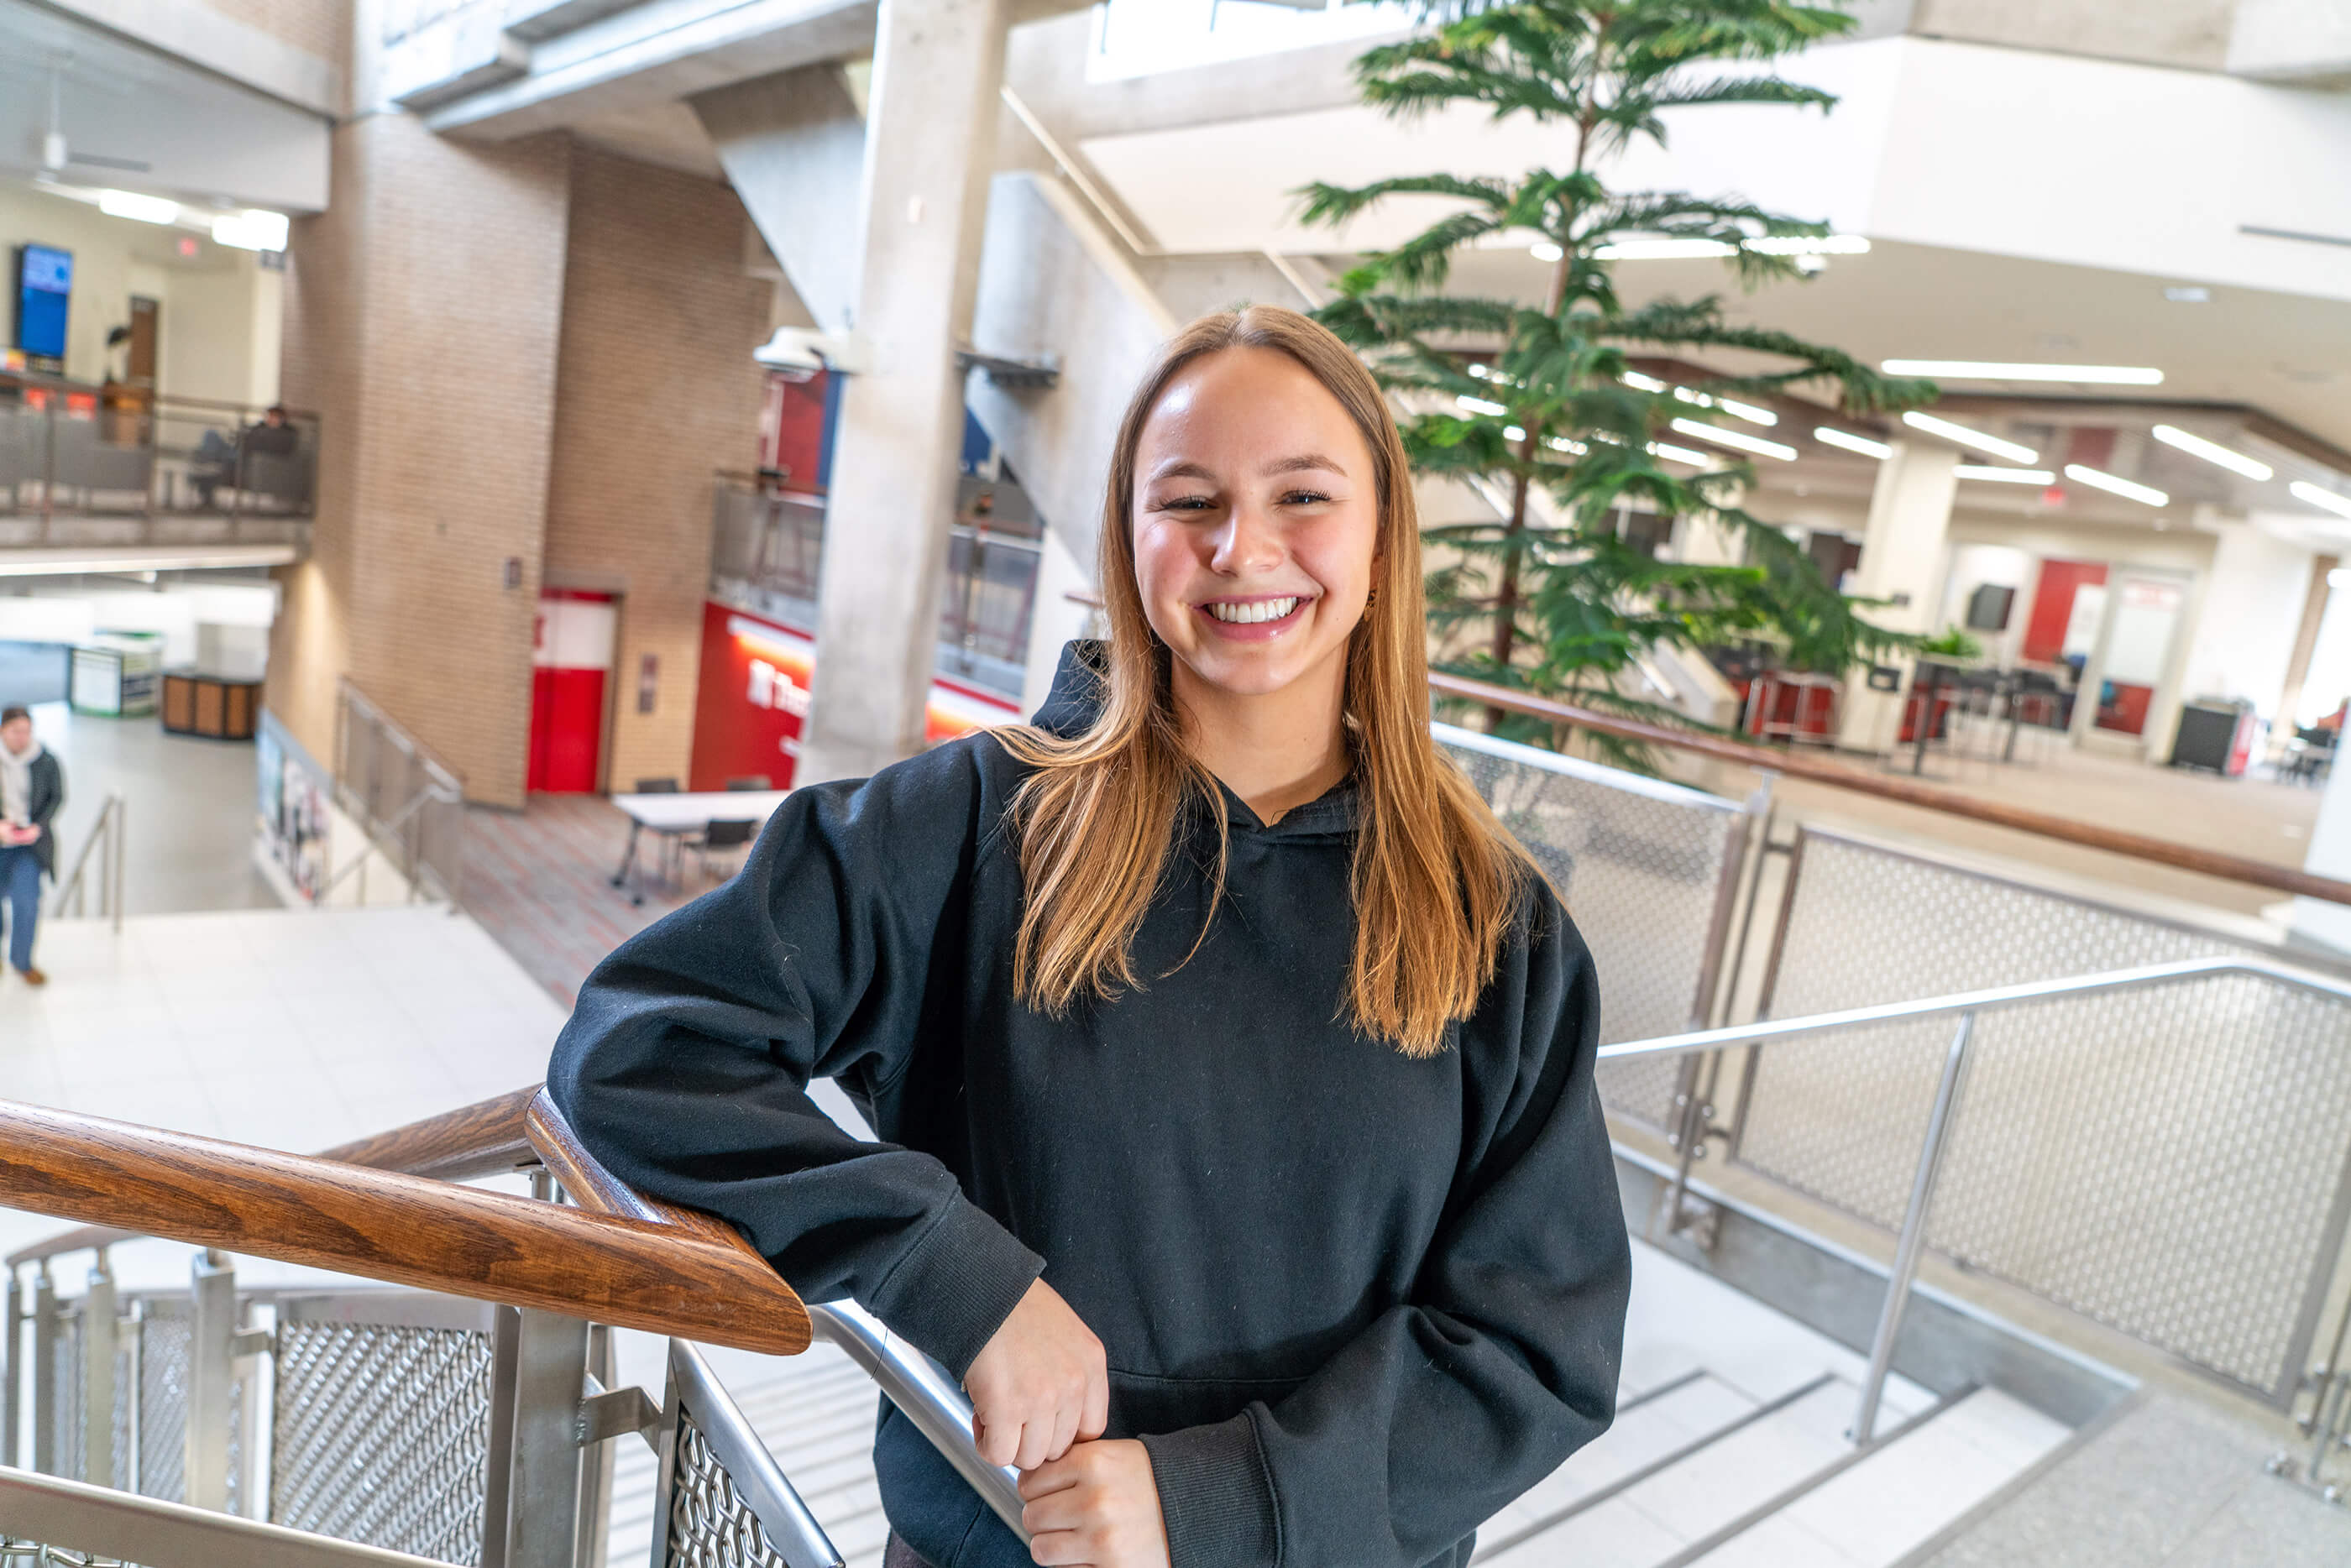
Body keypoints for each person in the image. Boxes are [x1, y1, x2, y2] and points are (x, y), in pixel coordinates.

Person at [549, 307, 1629, 1568]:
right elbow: (642, 1043)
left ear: (1384, 541)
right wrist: (946, 1267)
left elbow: (1538, 1348)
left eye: (1302, 497)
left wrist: (1223, 1499)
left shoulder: (1494, 923)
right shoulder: (970, 827)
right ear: (1127, 540)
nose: (1242, 550)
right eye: (1188, 502)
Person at [0, 705, 63, 986]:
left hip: (29, 846)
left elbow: (56, 796)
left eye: (26, 731)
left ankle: (22, 962)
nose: (22, 737)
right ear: (3, 731)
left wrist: (39, 825)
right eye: (16, 731)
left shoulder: (45, 760)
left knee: (27, 904)